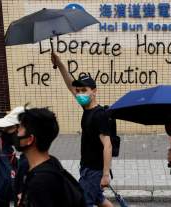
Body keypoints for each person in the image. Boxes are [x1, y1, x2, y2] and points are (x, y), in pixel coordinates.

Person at [51, 52, 113, 207]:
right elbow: (70, 83)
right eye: (78, 91)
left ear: (94, 91)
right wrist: (59, 64)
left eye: (83, 90)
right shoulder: (86, 108)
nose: (79, 94)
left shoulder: (99, 115)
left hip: (94, 170)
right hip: (86, 167)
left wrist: (105, 174)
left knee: (84, 202)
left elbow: (108, 144)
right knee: (99, 200)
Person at [16, 107, 68, 206]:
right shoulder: (53, 162)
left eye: (20, 128)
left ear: (30, 139)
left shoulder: (39, 182)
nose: (17, 132)